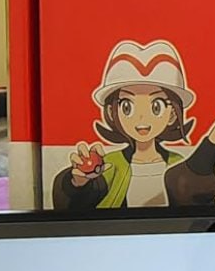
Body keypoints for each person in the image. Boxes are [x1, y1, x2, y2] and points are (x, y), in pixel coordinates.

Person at [52, 40, 196, 209]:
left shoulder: (178, 165)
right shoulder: (111, 164)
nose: (141, 117)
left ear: (172, 114)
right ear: (113, 112)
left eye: (156, 106)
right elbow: (77, 202)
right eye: (127, 107)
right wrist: (77, 182)